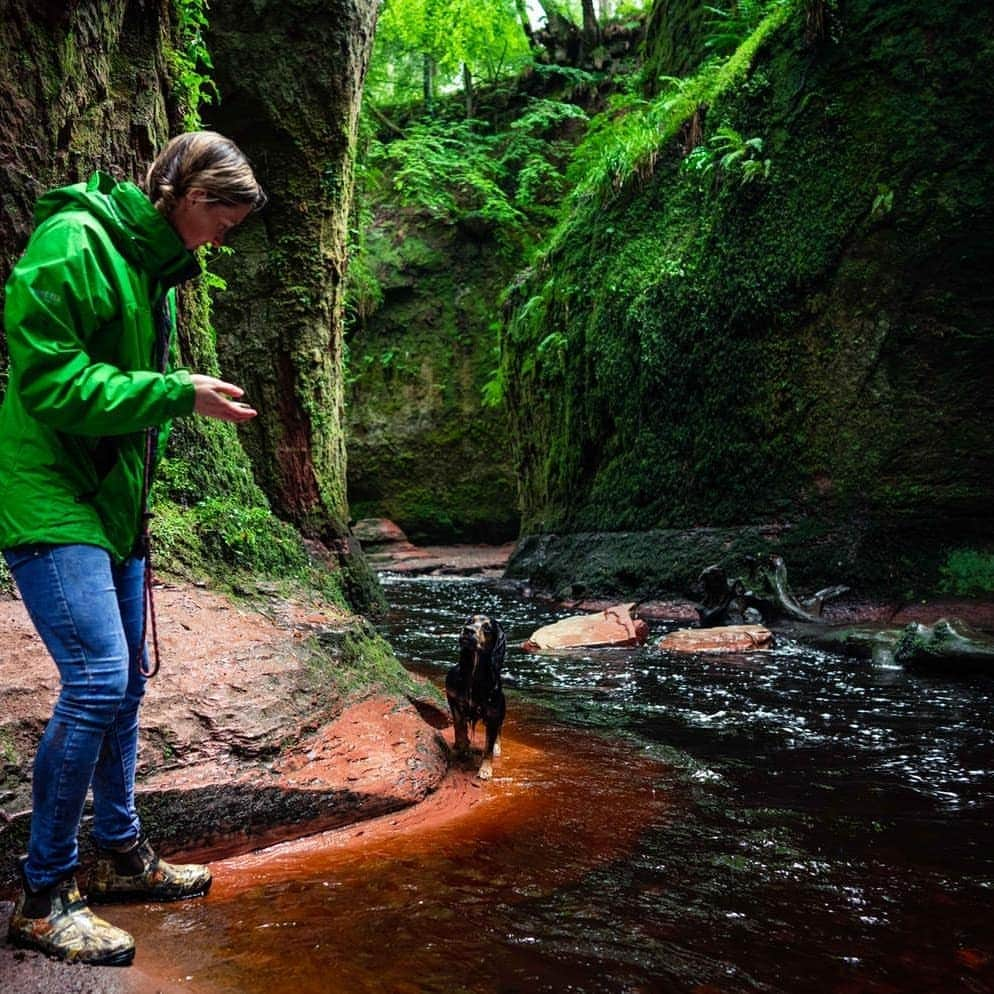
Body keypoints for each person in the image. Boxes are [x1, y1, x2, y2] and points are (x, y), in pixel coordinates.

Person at [0, 131, 265, 966]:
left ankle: (119, 855)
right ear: (188, 195)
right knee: (97, 680)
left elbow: (129, 407)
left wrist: (140, 500)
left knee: (125, 690)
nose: (225, 237)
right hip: (48, 493)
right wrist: (174, 391)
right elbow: (48, 382)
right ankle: (44, 896)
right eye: (224, 216)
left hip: (112, 504)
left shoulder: (158, 271)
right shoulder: (72, 242)